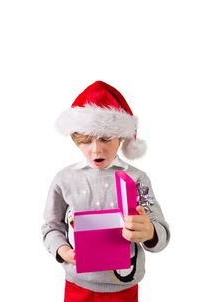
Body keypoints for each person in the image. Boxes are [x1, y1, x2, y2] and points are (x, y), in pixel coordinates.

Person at [42, 81, 170, 302]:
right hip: (78, 286)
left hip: (124, 288)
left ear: (121, 136)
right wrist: (62, 250)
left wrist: (150, 232)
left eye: (105, 138)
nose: (96, 149)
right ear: (76, 140)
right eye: (86, 141)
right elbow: (51, 227)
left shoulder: (137, 179)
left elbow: (162, 233)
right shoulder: (64, 179)